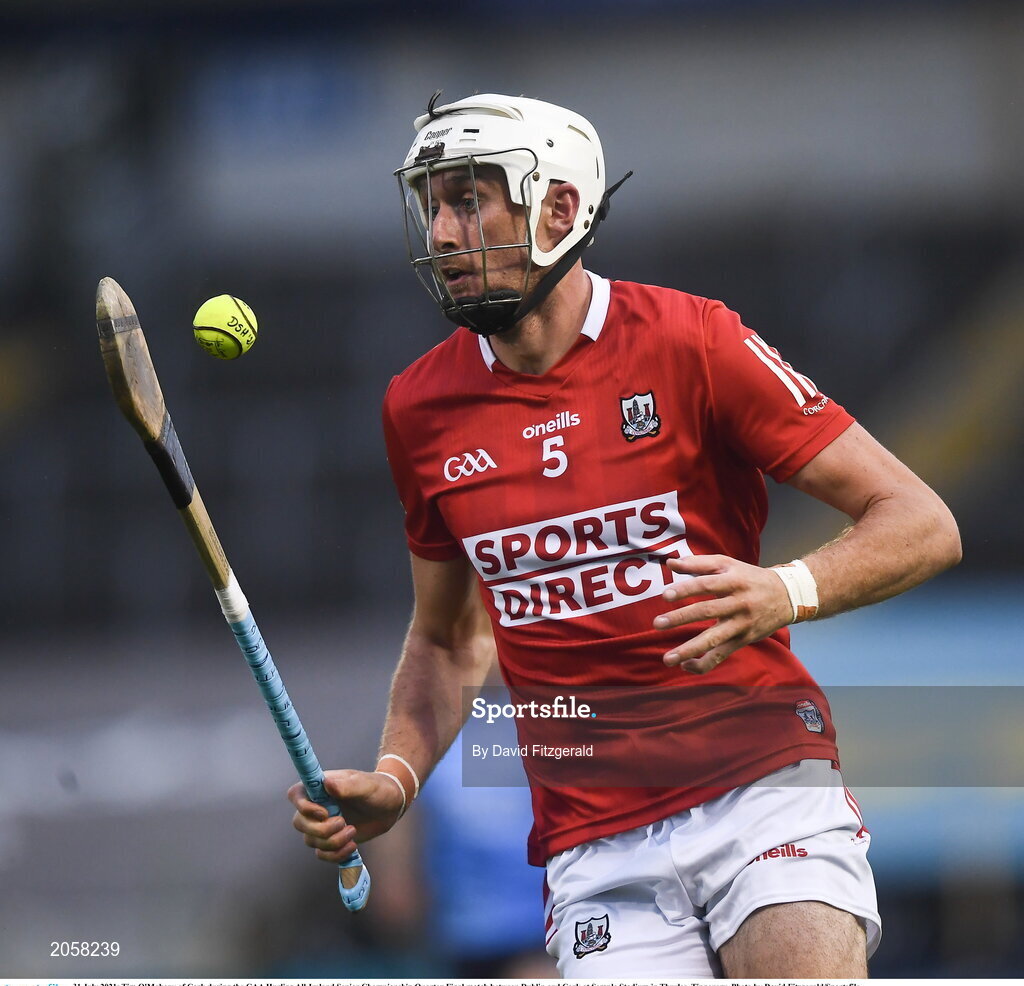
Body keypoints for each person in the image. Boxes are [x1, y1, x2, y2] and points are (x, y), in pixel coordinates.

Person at [289, 91, 961, 977]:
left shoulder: (695, 341)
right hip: (597, 844)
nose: (444, 233)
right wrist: (396, 778)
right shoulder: (418, 408)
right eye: (432, 204)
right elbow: (451, 639)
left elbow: (922, 521)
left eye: (468, 200)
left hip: (760, 784)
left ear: (560, 208)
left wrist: (786, 589)